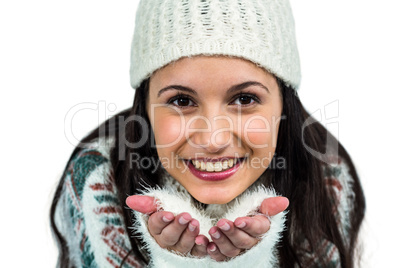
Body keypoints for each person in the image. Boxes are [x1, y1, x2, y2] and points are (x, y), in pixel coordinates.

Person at [50, 0, 366, 267]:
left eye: (245, 99)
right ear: (144, 107)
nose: (213, 140)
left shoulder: (328, 184)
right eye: (181, 101)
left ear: (285, 105)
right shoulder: (96, 182)